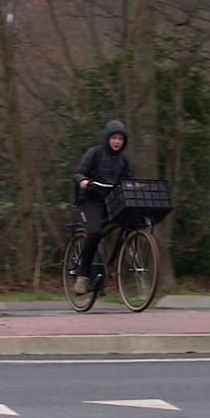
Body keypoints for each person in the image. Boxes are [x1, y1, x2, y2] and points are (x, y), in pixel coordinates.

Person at [72, 120, 134, 295]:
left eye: (120, 139)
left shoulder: (124, 160)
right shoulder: (95, 153)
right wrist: (83, 181)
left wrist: (135, 187)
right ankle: (83, 276)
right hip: (90, 200)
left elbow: (129, 180)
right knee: (95, 232)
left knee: (130, 220)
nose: (117, 142)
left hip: (111, 202)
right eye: (114, 138)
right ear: (107, 138)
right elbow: (79, 173)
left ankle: (117, 263)